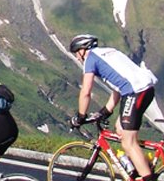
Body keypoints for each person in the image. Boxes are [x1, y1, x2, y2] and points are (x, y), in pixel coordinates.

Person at [68, 34, 159, 181]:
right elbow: (119, 85)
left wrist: (80, 116)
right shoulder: (110, 52)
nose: (77, 58)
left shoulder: (91, 59)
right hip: (144, 89)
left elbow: (86, 92)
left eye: (76, 53)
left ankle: (148, 178)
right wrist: (106, 110)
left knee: (128, 142)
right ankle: (142, 167)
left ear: (83, 50)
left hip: (135, 92)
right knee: (120, 128)